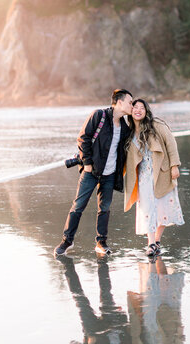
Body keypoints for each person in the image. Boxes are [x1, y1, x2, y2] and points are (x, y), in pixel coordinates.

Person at [54, 88, 133, 256]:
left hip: (110, 174)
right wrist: (88, 164)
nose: (132, 106)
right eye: (130, 102)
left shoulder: (125, 127)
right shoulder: (99, 116)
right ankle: (67, 241)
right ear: (119, 102)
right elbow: (83, 138)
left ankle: (101, 242)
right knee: (78, 206)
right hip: (91, 172)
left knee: (104, 208)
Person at [124, 98, 184, 256]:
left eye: (141, 108)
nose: (138, 110)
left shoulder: (157, 125)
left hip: (162, 173)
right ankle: (151, 243)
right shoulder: (129, 131)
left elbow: (171, 143)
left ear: (146, 111)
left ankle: (156, 241)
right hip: (143, 177)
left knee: (163, 208)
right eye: (135, 107)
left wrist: (174, 166)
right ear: (130, 111)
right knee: (148, 209)